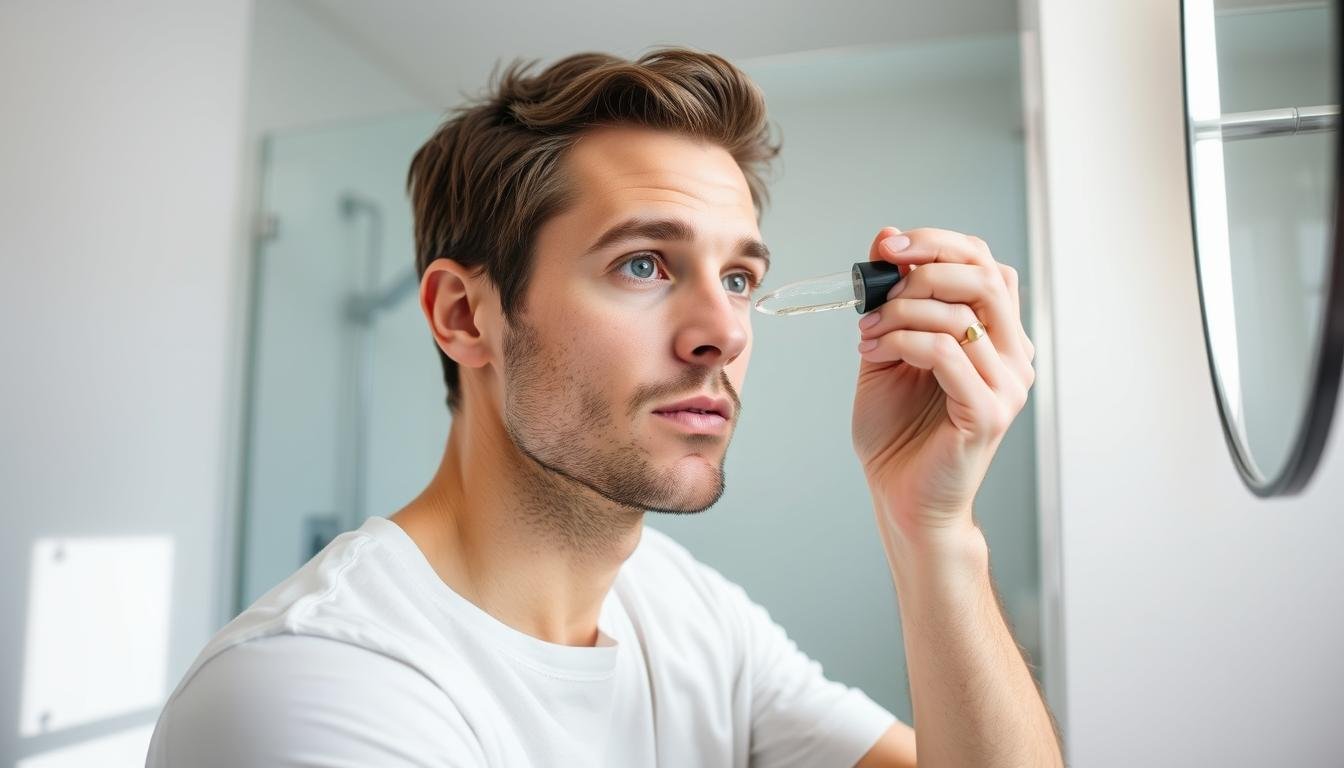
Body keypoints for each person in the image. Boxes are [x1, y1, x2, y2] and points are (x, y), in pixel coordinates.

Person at [146, 47, 1061, 767]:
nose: (725, 333)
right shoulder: (316, 688)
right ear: (466, 315)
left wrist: (933, 529)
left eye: (739, 277)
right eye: (643, 264)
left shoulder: (687, 612)